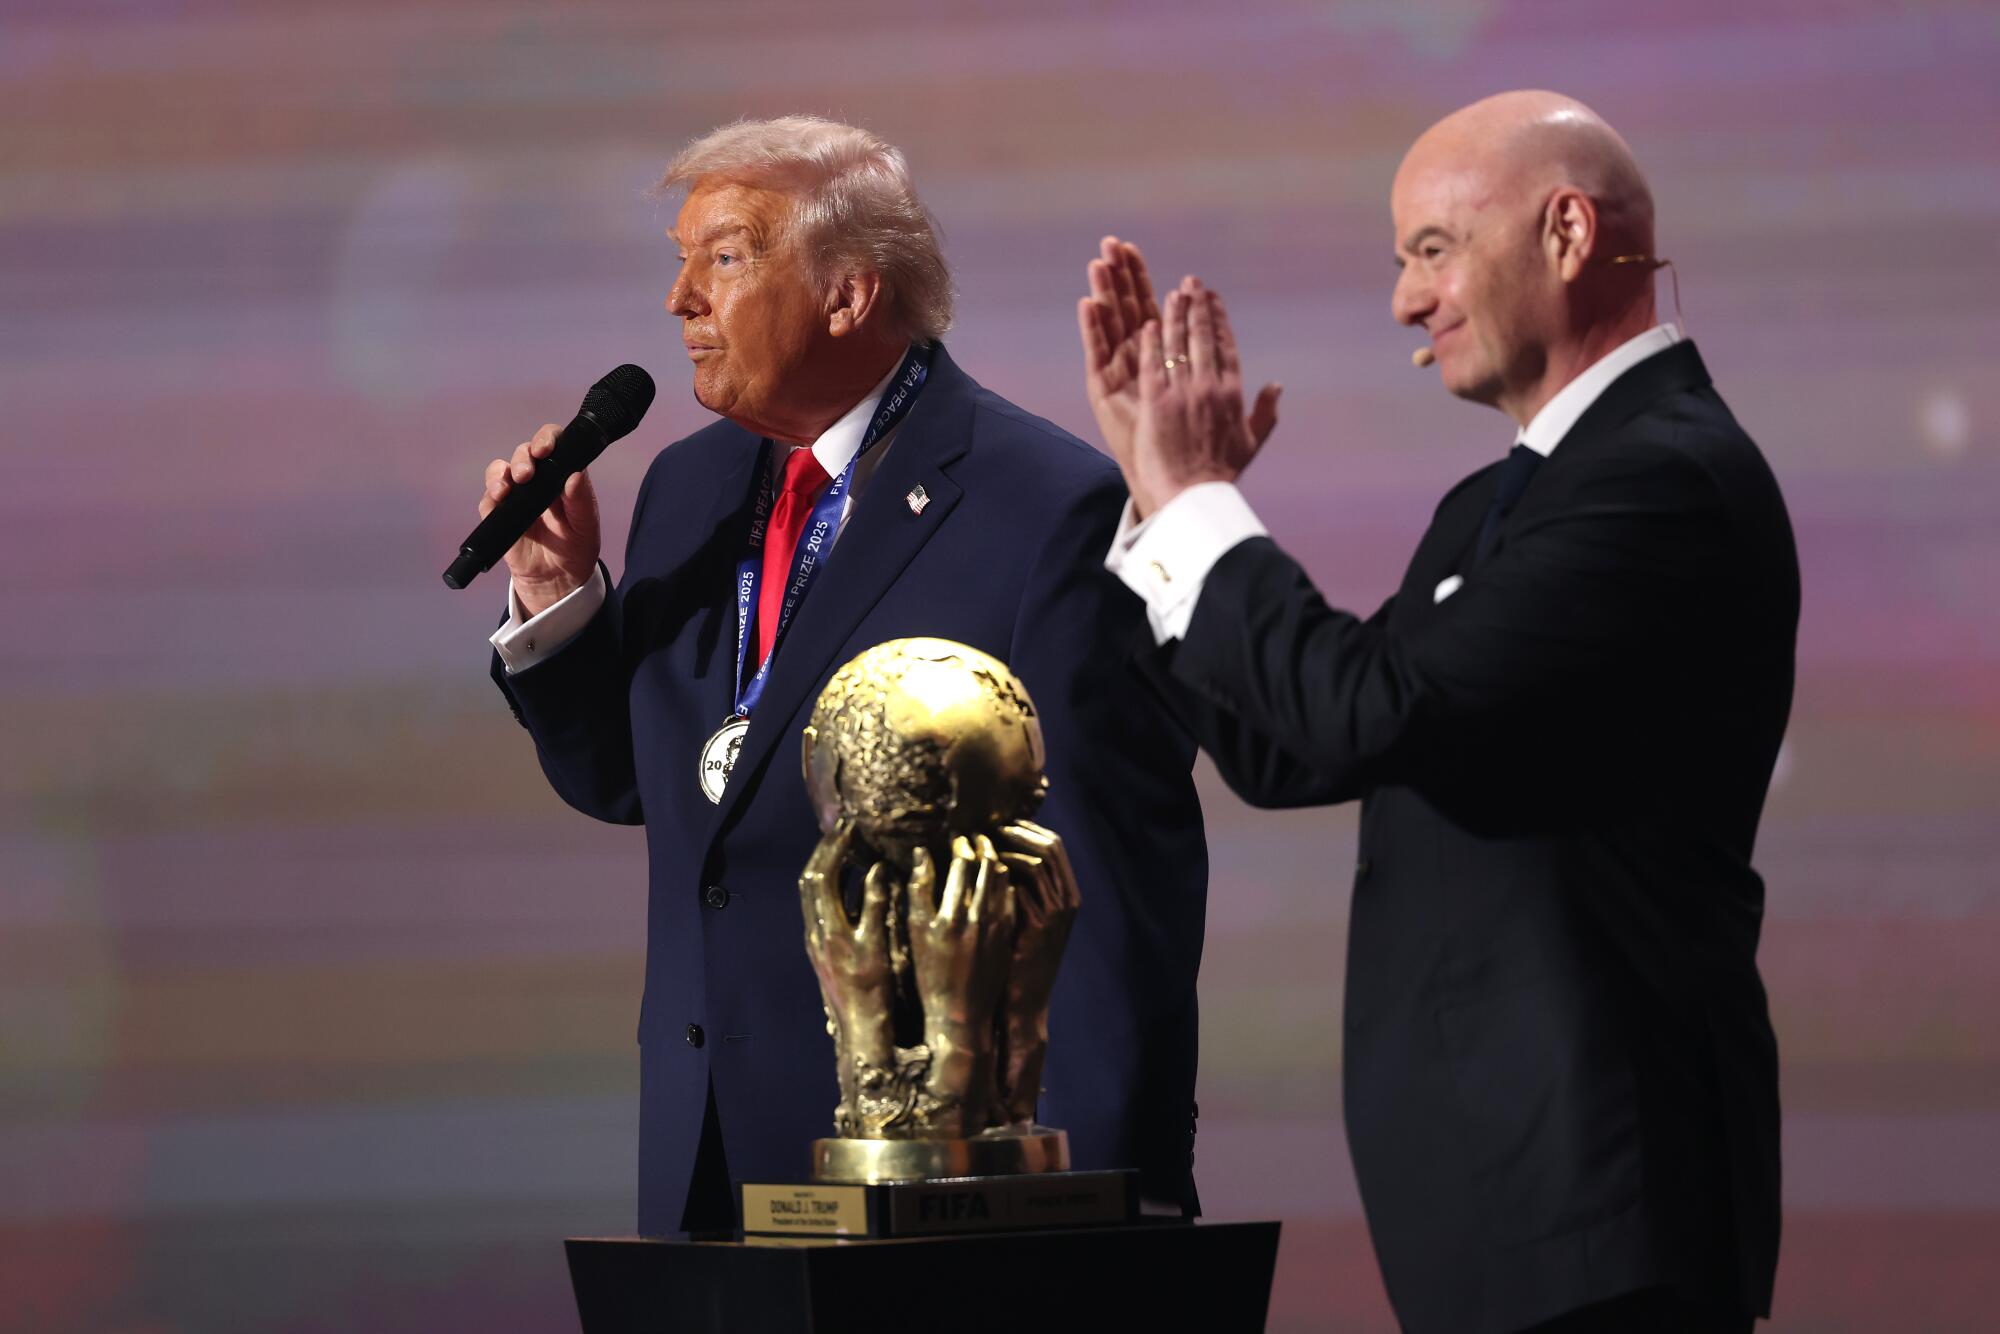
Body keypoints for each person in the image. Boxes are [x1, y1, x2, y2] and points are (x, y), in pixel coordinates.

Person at [1077, 91, 1796, 1333]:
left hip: (1605, 1199)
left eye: (1429, 249)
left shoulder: (1659, 476)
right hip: (1507, 1200)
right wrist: (1159, 503)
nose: (1407, 301)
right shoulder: (1501, 500)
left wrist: (1200, 502)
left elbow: (1373, 709)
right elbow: (1285, 745)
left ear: (1564, 232)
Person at [479, 116, 1208, 1234]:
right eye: (680, 261)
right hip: (704, 1155)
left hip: (938, 1182)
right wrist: (559, 600)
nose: (679, 298)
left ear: (847, 295)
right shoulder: (687, 486)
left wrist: (1097, 1202)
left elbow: (1103, 886)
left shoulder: (1045, 508)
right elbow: (650, 788)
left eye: (720, 257)